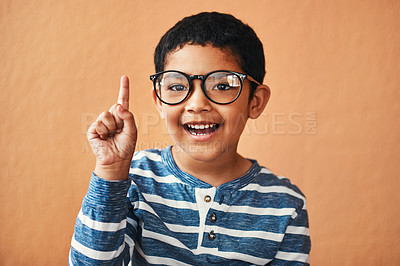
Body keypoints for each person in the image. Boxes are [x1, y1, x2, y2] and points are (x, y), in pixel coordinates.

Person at [69, 12, 311, 265]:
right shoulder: (133, 179)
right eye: (176, 87)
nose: (197, 104)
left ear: (256, 101)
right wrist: (111, 172)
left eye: (223, 85)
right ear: (159, 101)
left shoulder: (286, 204)